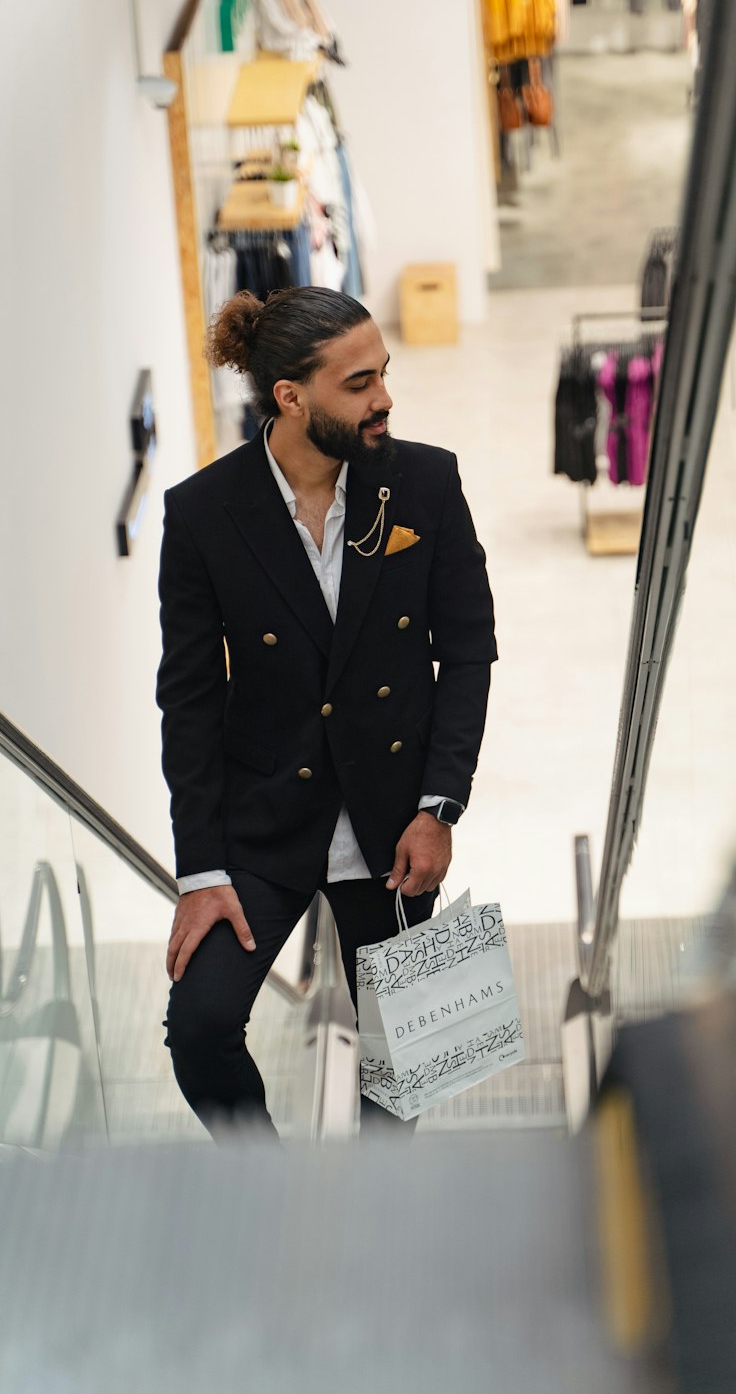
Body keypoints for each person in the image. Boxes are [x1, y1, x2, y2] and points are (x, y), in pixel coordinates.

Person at [156, 287, 497, 1139]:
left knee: (411, 1062)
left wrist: (439, 807)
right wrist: (200, 871)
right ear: (291, 397)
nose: (384, 397)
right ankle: (271, 1191)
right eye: (359, 383)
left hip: (397, 825)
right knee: (197, 1029)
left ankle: (367, 1226)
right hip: (263, 825)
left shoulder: (426, 479)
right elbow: (189, 701)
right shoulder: (201, 514)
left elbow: (468, 653)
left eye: (383, 374)